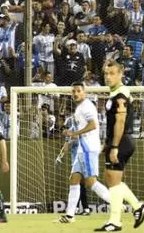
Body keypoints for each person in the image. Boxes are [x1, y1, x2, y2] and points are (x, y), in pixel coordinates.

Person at [96, 60, 144, 232]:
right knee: (112, 180)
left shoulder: (121, 94)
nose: (108, 77)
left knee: (113, 182)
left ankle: (115, 221)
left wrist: (115, 146)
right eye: (106, 73)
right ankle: (137, 207)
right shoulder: (115, 93)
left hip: (122, 141)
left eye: (112, 73)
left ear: (121, 74)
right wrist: (107, 143)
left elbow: (120, 121)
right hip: (117, 141)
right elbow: (112, 123)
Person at [59, 81, 111, 223]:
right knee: (74, 178)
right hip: (82, 148)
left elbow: (93, 125)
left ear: (84, 92)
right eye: (73, 91)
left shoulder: (87, 106)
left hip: (88, 148)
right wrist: (72, 133)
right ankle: (69, 215)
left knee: (91, 182)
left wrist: (75, 132)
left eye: (78, 91)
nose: (75, 93)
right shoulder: (80, 108)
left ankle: (116, 202)